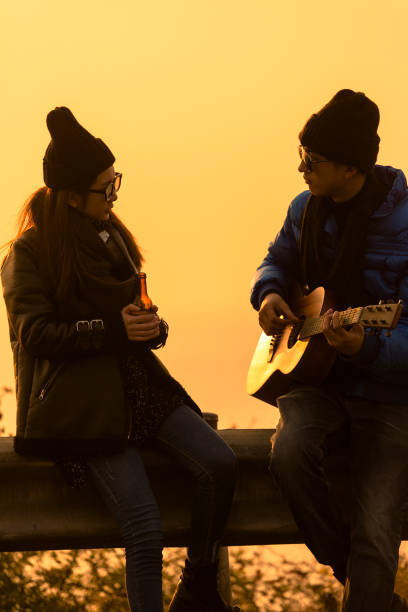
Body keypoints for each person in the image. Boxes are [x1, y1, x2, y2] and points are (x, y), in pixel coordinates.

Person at [1, 107, 238, 612]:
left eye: (115, 183)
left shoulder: (114, 240)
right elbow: (35, 334)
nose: (113, 196)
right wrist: (113, 330)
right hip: (82, 407)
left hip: (137, 387)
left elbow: (135, 312)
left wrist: (153, 328)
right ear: (70, 196)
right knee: (145, 527)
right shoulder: (29, 253)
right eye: (105, 188)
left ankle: (197, 584)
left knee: (219, 462)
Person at [250, 89, 408, 611]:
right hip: (316, 383)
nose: (302, 169)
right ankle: (363, 580)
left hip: (390, 397)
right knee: (290, 456)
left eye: (312, 161)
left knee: (378, 527)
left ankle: (368, 584)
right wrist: (271, 294)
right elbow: (276, 261)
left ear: (350, 166)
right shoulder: (305, 210)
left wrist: (367, 346)